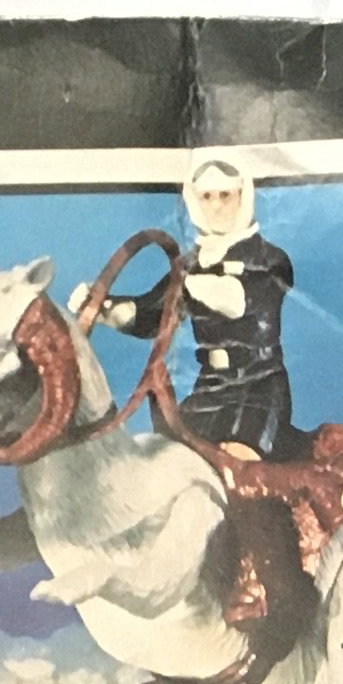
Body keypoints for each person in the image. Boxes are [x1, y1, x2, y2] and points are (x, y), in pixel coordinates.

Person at [72, 151, 303, 461]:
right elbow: (150, 315)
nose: (216, 206)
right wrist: (103, 308)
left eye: (225, 195)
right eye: (207, 196)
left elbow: (236, 300)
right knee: (169, 460)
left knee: (239, 464)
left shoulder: (270, 259)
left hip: (257, 392)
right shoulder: (191, 264)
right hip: (209, 391)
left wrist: (186, 281)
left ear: (243, 195)